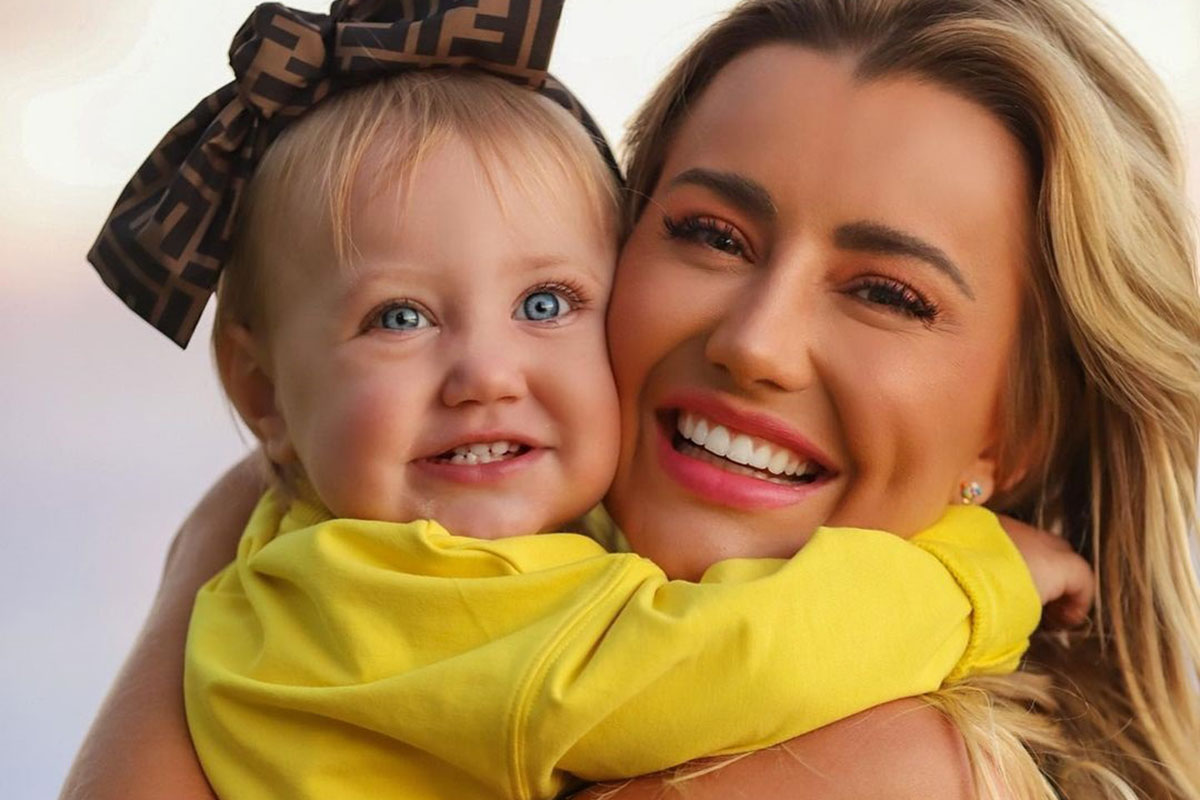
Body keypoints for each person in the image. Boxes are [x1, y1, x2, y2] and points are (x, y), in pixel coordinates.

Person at [62, 0, 1200, 798]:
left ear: (1018, 426)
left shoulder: (897, 767)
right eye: (711, 233)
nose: (754, 343)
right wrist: (975, 574)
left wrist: (209, 546)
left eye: (887, 293)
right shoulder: (428, 573)